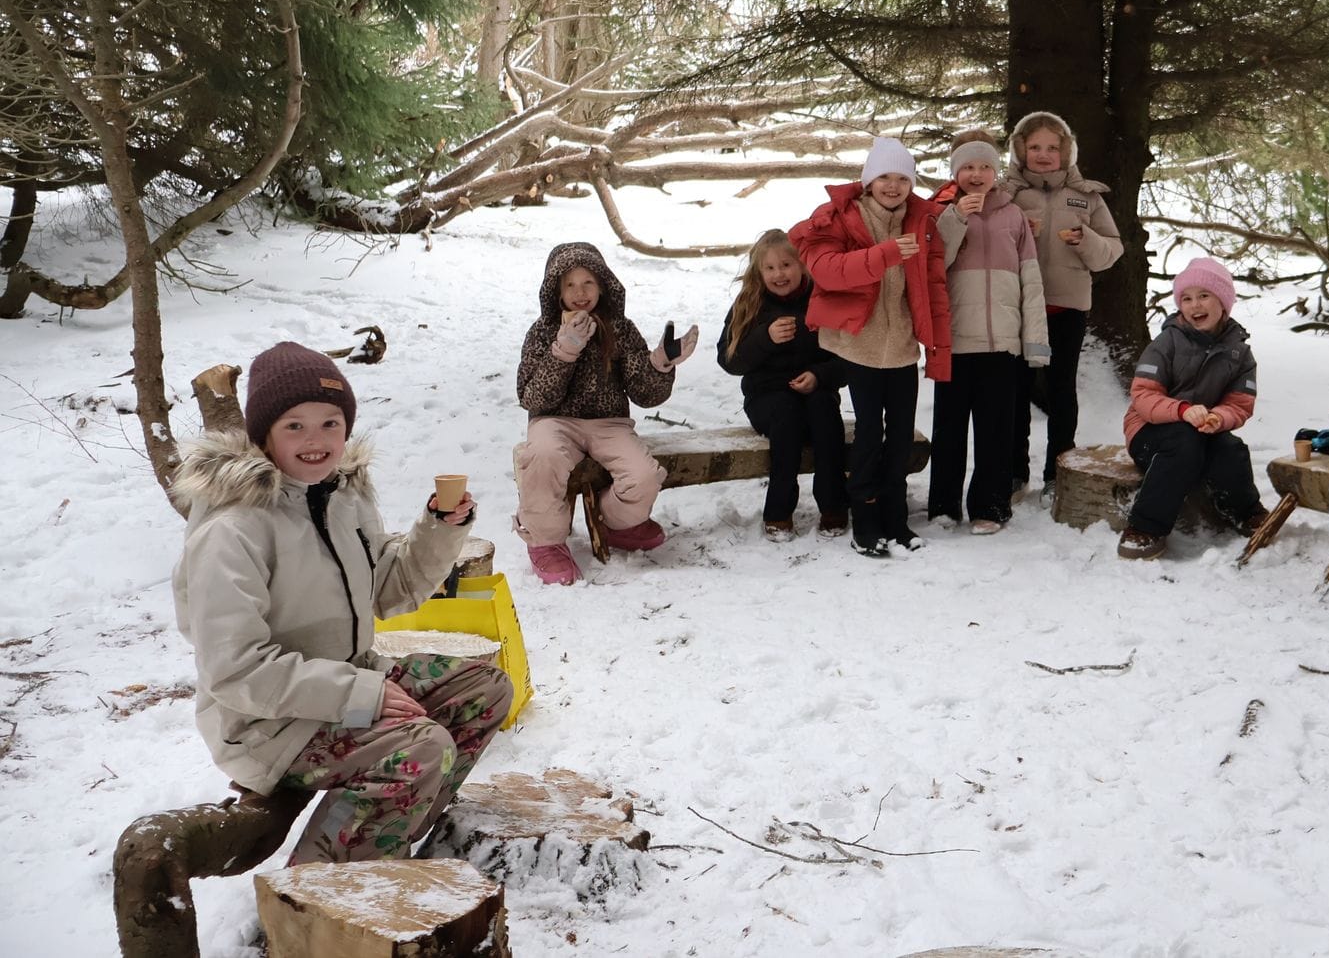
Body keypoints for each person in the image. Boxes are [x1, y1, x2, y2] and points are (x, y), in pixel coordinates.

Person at [172, 342, 511, 864]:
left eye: (330, 423)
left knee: (483, 688)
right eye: (295, 426)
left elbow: (391, 590)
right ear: (263, 435)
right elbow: (235, 670)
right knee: (419, 747)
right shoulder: (232, 530)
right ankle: (319, 887)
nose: (316, 441)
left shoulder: (341, 496)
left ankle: (392, 837)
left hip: (349, 682)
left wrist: (440, 529)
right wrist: (360, 694)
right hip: (268, 726)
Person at [791, 136, 951, 557]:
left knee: (899, 435)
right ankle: (864, 517)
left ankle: (895, 518)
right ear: (868, 181)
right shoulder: (842, 217)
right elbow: (826, 270)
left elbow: (933, 283)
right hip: (860, 344)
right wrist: (883, 254)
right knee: (868, 431)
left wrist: (936, 342)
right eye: (884, 177)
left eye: (902, 178)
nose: (893, 186)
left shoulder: (922, 218)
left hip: (901, 345)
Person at [514, 242, 699, 585]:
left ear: (603, 285)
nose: (580, 292)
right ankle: (545, 541)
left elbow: (644, 393)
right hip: (554, 421)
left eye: (588, 283)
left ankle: (618, 523)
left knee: (643, 475)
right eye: (570, 284)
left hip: (609, 423)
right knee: (542, 456)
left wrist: (661, 362)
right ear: (556, 290)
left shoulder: (620, 328)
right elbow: (532, 397)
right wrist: (564, 350)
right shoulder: (542, 331)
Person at [931, 133, 1050, 532]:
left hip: (1002, 344)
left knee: (995, 431)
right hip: (955, 341)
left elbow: (1031, 282)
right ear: (956, 173)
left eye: (984, 166)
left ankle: (991, 507)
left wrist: (1035, 343)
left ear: (995, 171)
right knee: (948, 430)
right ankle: (944, 506)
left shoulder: (1013, 216)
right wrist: (955, 218)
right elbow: (934, 267)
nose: (977, 174)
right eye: (967, 167)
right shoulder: (942, 213)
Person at [1001, 111, 1124, 490]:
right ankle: (1015, 473)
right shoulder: (1005, 195)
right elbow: (984, 247)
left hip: (1067, 309)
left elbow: (1112, 251)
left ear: (1066, 151)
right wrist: (1016, 231)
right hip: (1018, 307)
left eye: (1052, 147)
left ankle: (1059, 473)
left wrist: (1085, 238)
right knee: (1015, 392)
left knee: (1061, 390)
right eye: (1034, 146)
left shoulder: (1086, 196)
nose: (1043, 154)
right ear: (1020, 149)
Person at [1117, 257, 1262, 560]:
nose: (1195, 305)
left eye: (1204, 295)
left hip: (1202, 430)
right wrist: (1182, 410)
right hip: (1149, 432)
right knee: (1184, 443)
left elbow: (1240, 403)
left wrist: (1218, 417)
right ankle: (1145, 527)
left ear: (1223, 301)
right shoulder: (1166, 342)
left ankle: (1247, 513)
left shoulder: (1240, 353)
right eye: (1187, 298)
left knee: (1230, 449)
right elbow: (1143, 395)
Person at [716, 230, 848, 542]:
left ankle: (834, 506)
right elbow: (729, 360)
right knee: (786, 414)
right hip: (767, 398)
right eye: (770, 268)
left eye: (786, 265)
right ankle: (778, 512)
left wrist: (819, 376)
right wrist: (765, 338)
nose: (779, 274)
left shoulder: (821, 299)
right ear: (759, 272)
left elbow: (848, 358)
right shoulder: (750, 303)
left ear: (802, 264)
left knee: (825, 411)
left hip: (816, 393)